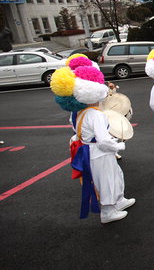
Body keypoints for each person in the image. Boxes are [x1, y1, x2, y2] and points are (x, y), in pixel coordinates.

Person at [50, 64, 134, 224]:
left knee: (114, 175)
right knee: (106, 180)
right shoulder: (95, 115)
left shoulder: (82, 112)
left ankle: (119, 200)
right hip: (100, 153)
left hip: (92, 152)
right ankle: (108, 212)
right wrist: (117, 146)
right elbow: (103, 140)